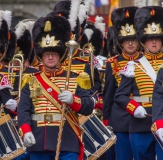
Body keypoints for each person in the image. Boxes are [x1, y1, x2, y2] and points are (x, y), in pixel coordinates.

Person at [18, 15, 95, 160]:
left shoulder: (76, 77)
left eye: (54, 54)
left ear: (60, 55)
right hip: (38, 141)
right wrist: (26, 131)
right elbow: (23, 110)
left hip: (66, 139)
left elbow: (88, 106)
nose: (50, 58)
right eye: (47, 54)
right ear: (41, 56)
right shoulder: (31, 79)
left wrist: (73, 100)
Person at [114, 6, 163, 160]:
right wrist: (134, 108)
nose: (154, 42)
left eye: (157, 38)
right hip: (141, 122)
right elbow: (120, 96)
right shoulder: (133, 65)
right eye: (150, 38)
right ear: (143, 41)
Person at [103, 7, 139, 160]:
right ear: (121, 43)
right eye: (126, 41)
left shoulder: (147, 61)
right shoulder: (113, 63)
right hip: (120, 118)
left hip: (142, 115)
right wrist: (106, 119)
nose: (130, 44)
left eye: (133, 40)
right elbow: (109, 94)